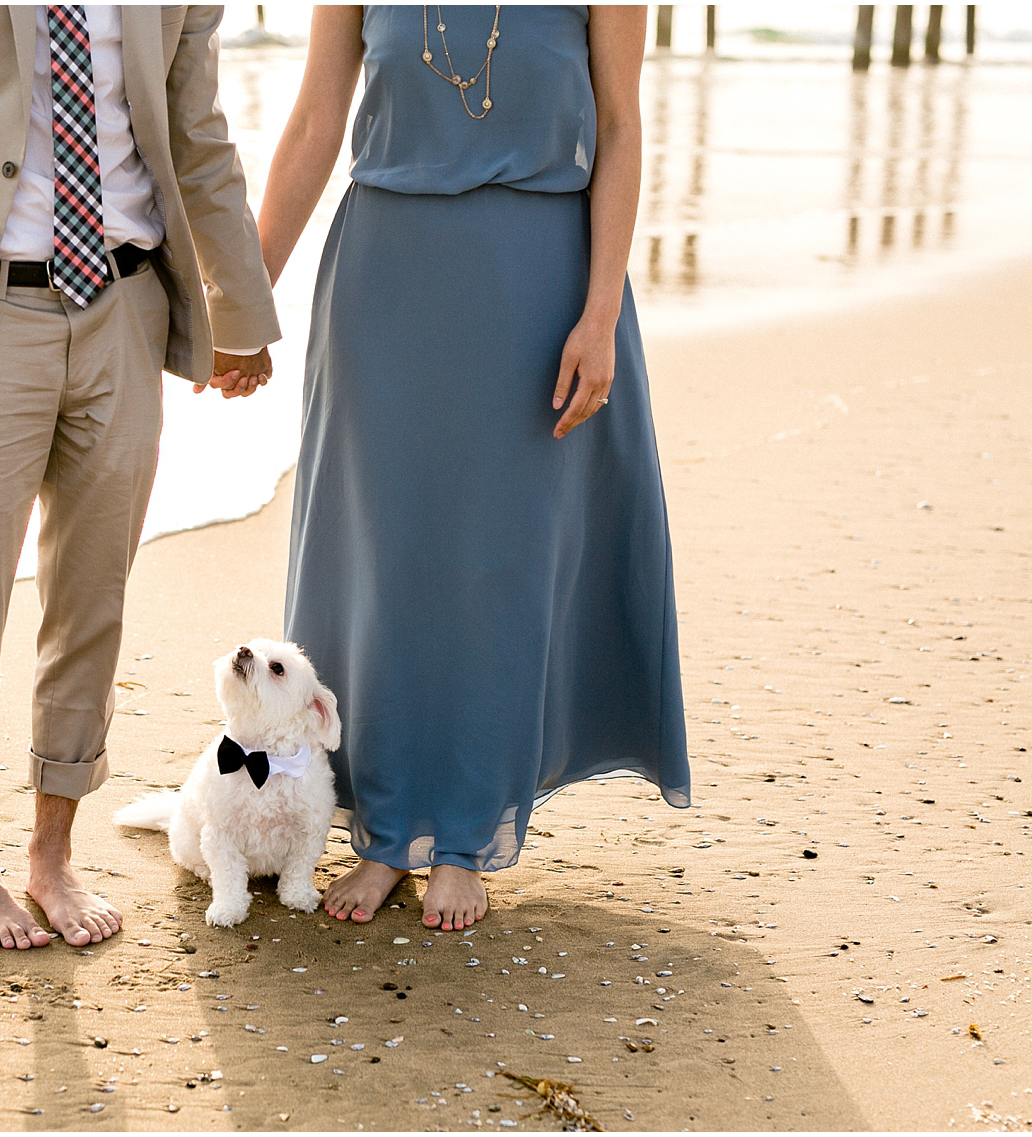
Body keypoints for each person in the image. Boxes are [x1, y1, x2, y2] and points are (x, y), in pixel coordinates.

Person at [0, 5, 280, 950]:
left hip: (127, 304)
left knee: (93, 593)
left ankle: (52, 848)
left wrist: (242, 309)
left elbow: (197, 133)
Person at [257, 5, 690, 932]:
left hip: (537, 284)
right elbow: (313, 125)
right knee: (383, 560)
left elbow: (621, 127)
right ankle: (381, 831)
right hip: (384, 281)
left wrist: (602, 311)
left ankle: (463, 836)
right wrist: (243, 297)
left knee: (501, 565)